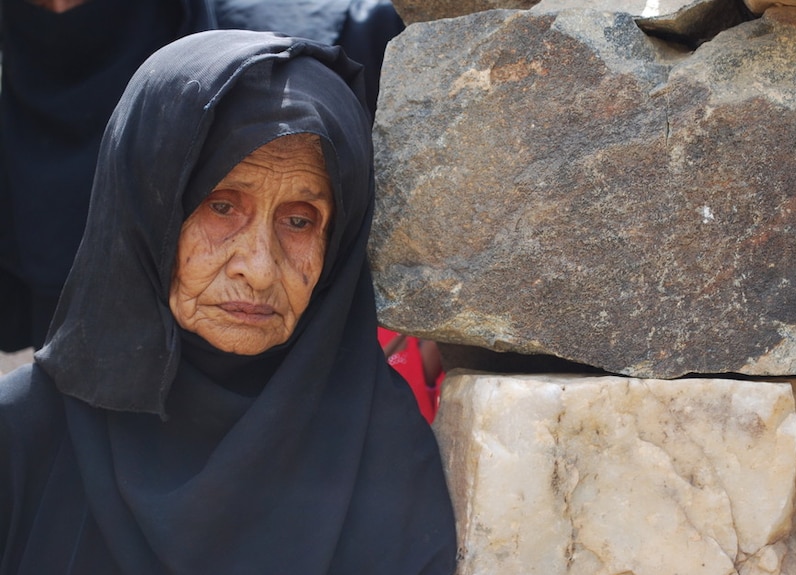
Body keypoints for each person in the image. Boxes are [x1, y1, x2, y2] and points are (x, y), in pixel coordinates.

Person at [0, 30, 456, 573]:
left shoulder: (386, 456)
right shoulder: (22, 441)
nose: (259, 269)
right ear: (149, 206)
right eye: (221, 207)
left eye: (299, 221)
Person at [0, 0, 403, 351]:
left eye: (297, 220)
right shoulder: (35, 426)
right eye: (220, 207)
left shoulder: (283, 51)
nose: (61, 12)